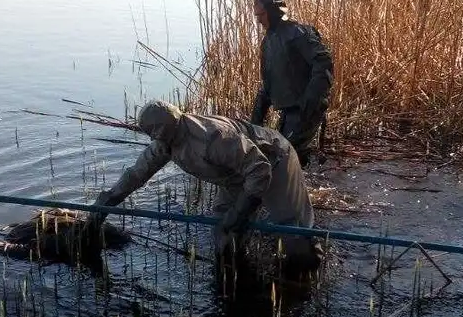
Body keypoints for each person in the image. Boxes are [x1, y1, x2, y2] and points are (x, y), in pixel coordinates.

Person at [84, 100, 323, 274]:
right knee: (222, 228)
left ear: (169, 125)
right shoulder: (165, 142)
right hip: (234, 175)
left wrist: (240, 211)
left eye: (154, 132)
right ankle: (234, 272)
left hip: (274, 160)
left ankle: (307, 275)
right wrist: (108, 201)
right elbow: (137, 173)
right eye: (150, 134)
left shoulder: (212, 138)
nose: (152, 138)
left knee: (292, 229)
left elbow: (259, 168)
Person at [249, 0, 334, 168]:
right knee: (283, 156)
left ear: (272, 12)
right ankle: (311, 174)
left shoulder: (299, 33)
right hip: (290, 112)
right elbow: (268, 84)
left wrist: (311, 100)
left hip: (305, 110)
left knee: (283, 159)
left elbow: (323, 61)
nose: (259, 21)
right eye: (257, 16)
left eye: (261, 15)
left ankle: (308, 188)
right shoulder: (268, 42)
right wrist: (254, 124)